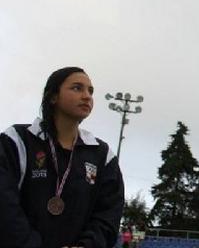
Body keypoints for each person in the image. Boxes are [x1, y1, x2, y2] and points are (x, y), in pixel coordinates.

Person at [0, 67, 125, 247]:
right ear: (53, 97)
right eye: (77, 88)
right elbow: (5, 207)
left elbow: (108, 215)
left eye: (90, 91)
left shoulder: (102, 155)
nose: (87, 96)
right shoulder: (17, 140)